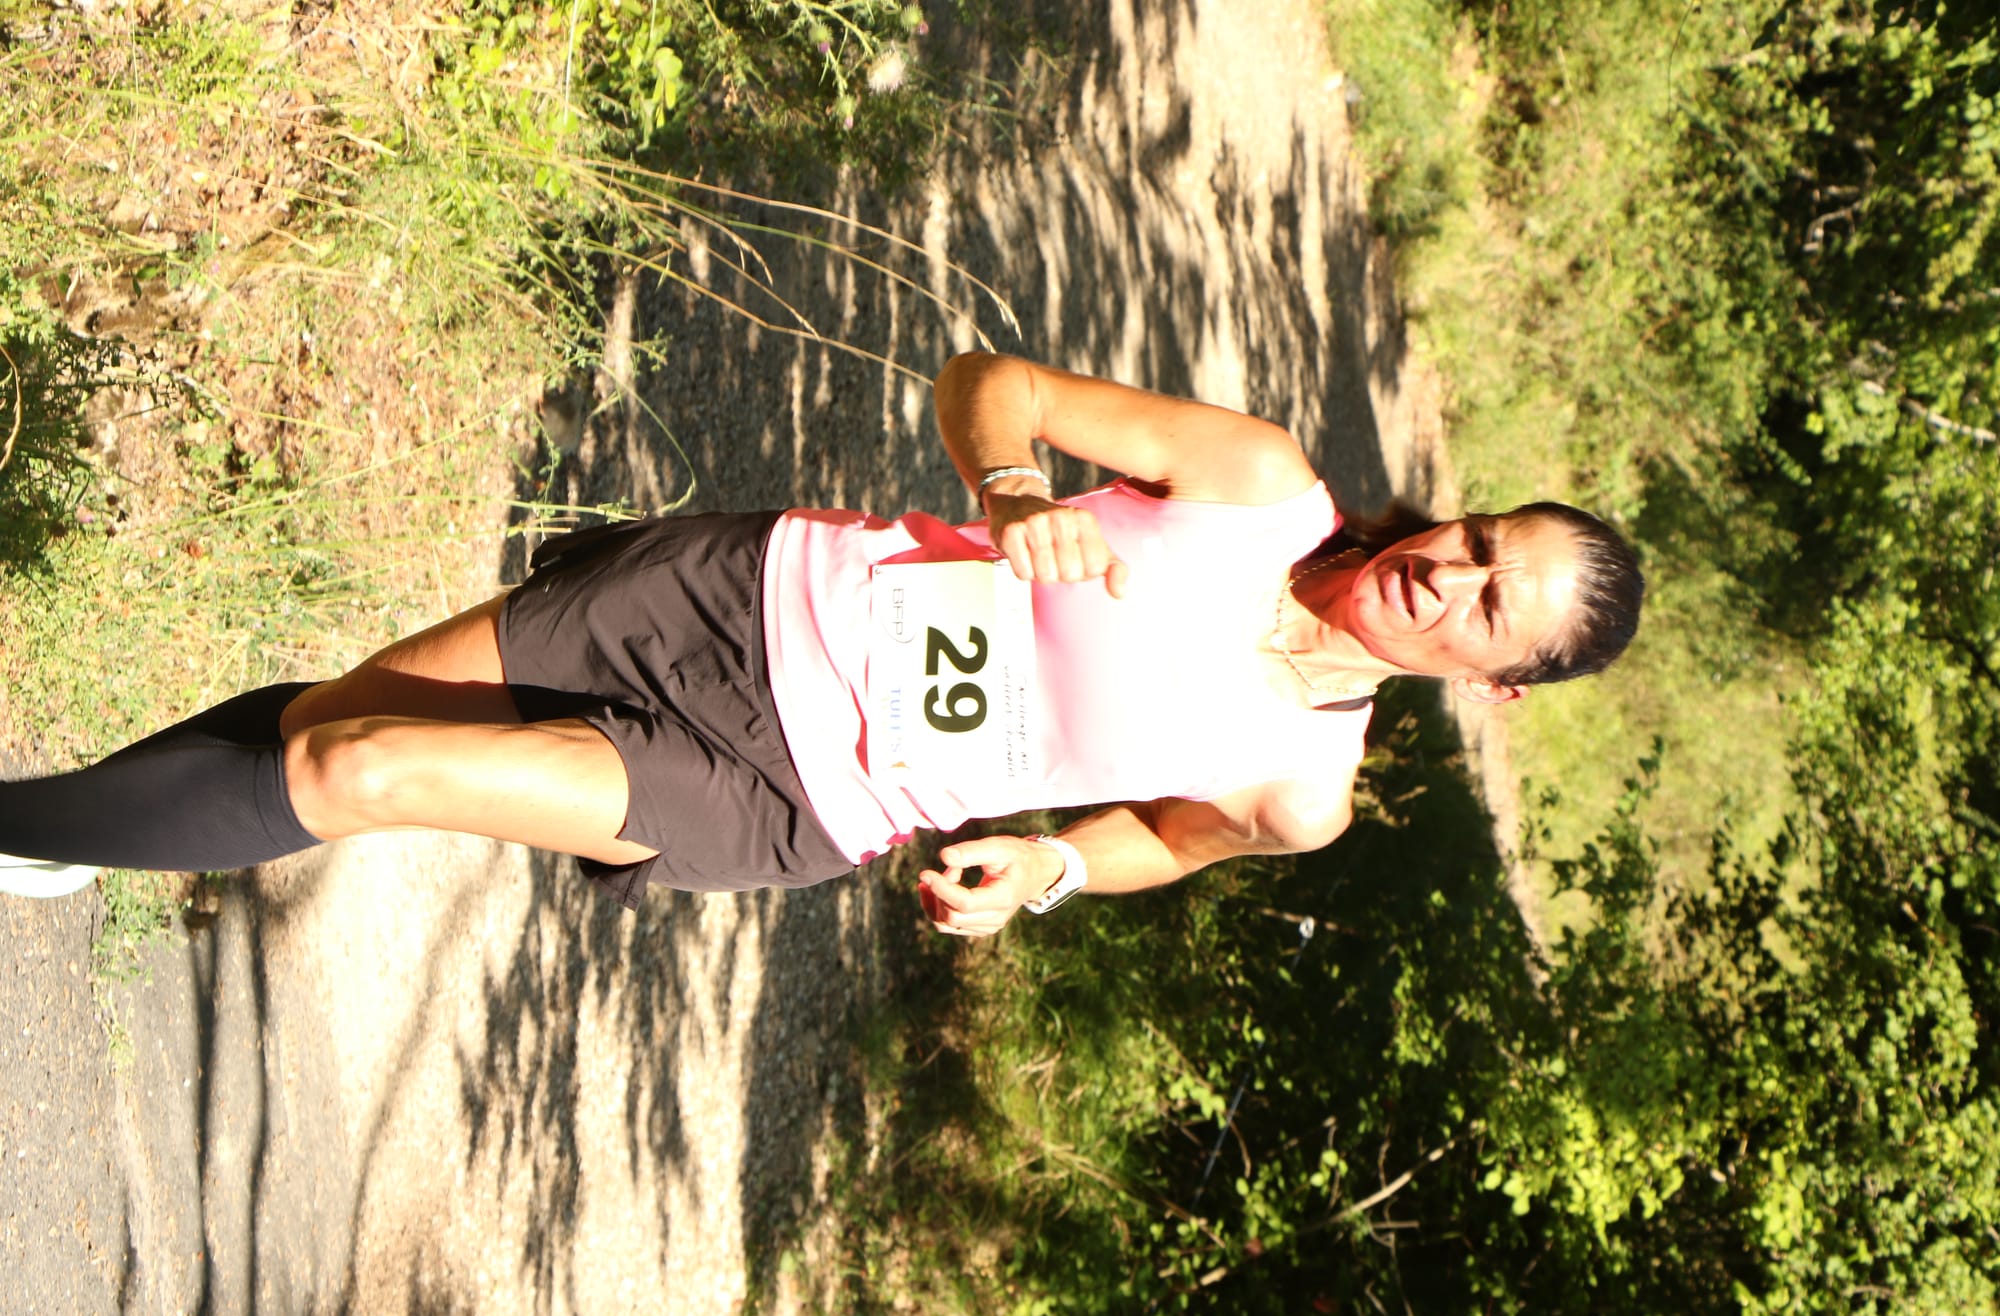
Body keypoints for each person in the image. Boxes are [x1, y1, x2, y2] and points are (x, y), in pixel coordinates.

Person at [0, 353, 1642, 934]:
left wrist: (1052, 872)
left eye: (1487, 602)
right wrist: (1007, 493)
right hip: (750, 591)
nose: (1446, 569)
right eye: (1481, 538)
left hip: (801, 791)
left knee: (360, 766)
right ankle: (74, 830)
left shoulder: (1307, 787)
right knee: (333, 716)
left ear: (1493, 684)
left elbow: (1170, 834)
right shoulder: (1263, 484)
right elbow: (994, 382)